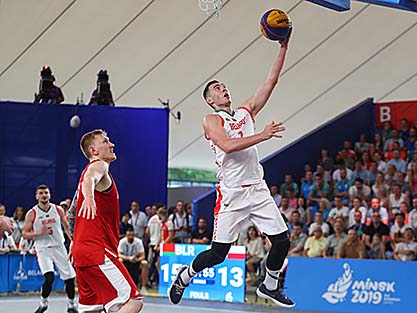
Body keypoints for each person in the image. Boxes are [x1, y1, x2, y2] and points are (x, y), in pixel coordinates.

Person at [168, 34, 295, 308]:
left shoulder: (245, 112)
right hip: (232, 195)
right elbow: (226, 145)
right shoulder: (212, 119)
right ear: (210, 100)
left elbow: (270, 81)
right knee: (217, 254)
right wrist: (262, 136)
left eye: (224, 86)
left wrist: (283, 47)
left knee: (282, 241)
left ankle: (269, 285)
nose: (223, 89)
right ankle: (186, 275)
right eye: (217, 88)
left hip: (257, 189)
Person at [72, 129, 142, 313]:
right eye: (106, 141)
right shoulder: (99, 165)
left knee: (91, 310)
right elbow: (90, 179)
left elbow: (70, 215)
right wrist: (89, 197)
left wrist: (75, 242)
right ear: (94, 150)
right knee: (133, 301)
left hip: (83, 252)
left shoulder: (88, 176)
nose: (111, 144)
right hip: (97, 250)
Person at [22, 185, 77, 313]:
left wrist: (73, 240)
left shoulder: (58, 210)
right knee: (49, 277)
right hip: (42, 249)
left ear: (50, 195)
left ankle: (71, 305)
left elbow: (66, 227)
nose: (44, 195)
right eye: (41, 193)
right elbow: (25, 233)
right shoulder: (32, 213)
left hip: (59, 247)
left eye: (46, 193)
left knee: (70, 277)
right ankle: (43, 303)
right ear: (36, 196)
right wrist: (39, 232)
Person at [118, 228, 149, 295]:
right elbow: (119, 254)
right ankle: (119, 286)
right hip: (126, 260)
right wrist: (128, 258)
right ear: (126, 235)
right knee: (119, 261)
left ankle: (143, 287)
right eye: (129, 235)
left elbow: (143, 256)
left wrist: (136, 259)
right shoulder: (122, 241)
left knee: (145, 263)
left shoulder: (139, 242)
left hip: (136, 261)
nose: (130, 236)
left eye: (132, 235)